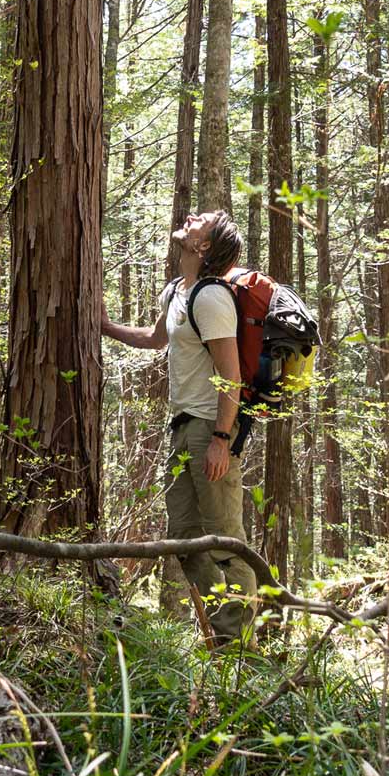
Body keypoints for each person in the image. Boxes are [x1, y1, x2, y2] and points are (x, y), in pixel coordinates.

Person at [102, 210, 258, 645]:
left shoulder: (211, 299)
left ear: (203, 246)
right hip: (183, 427)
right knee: (185, 536)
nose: (191, 217)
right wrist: (103, 325)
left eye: (201, 221)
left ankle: (239, 651)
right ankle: (218, 632)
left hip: (211, 427)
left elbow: (231, 376)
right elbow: (155, 340)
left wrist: (222, 440)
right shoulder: (179, 290)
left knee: (227, 540)